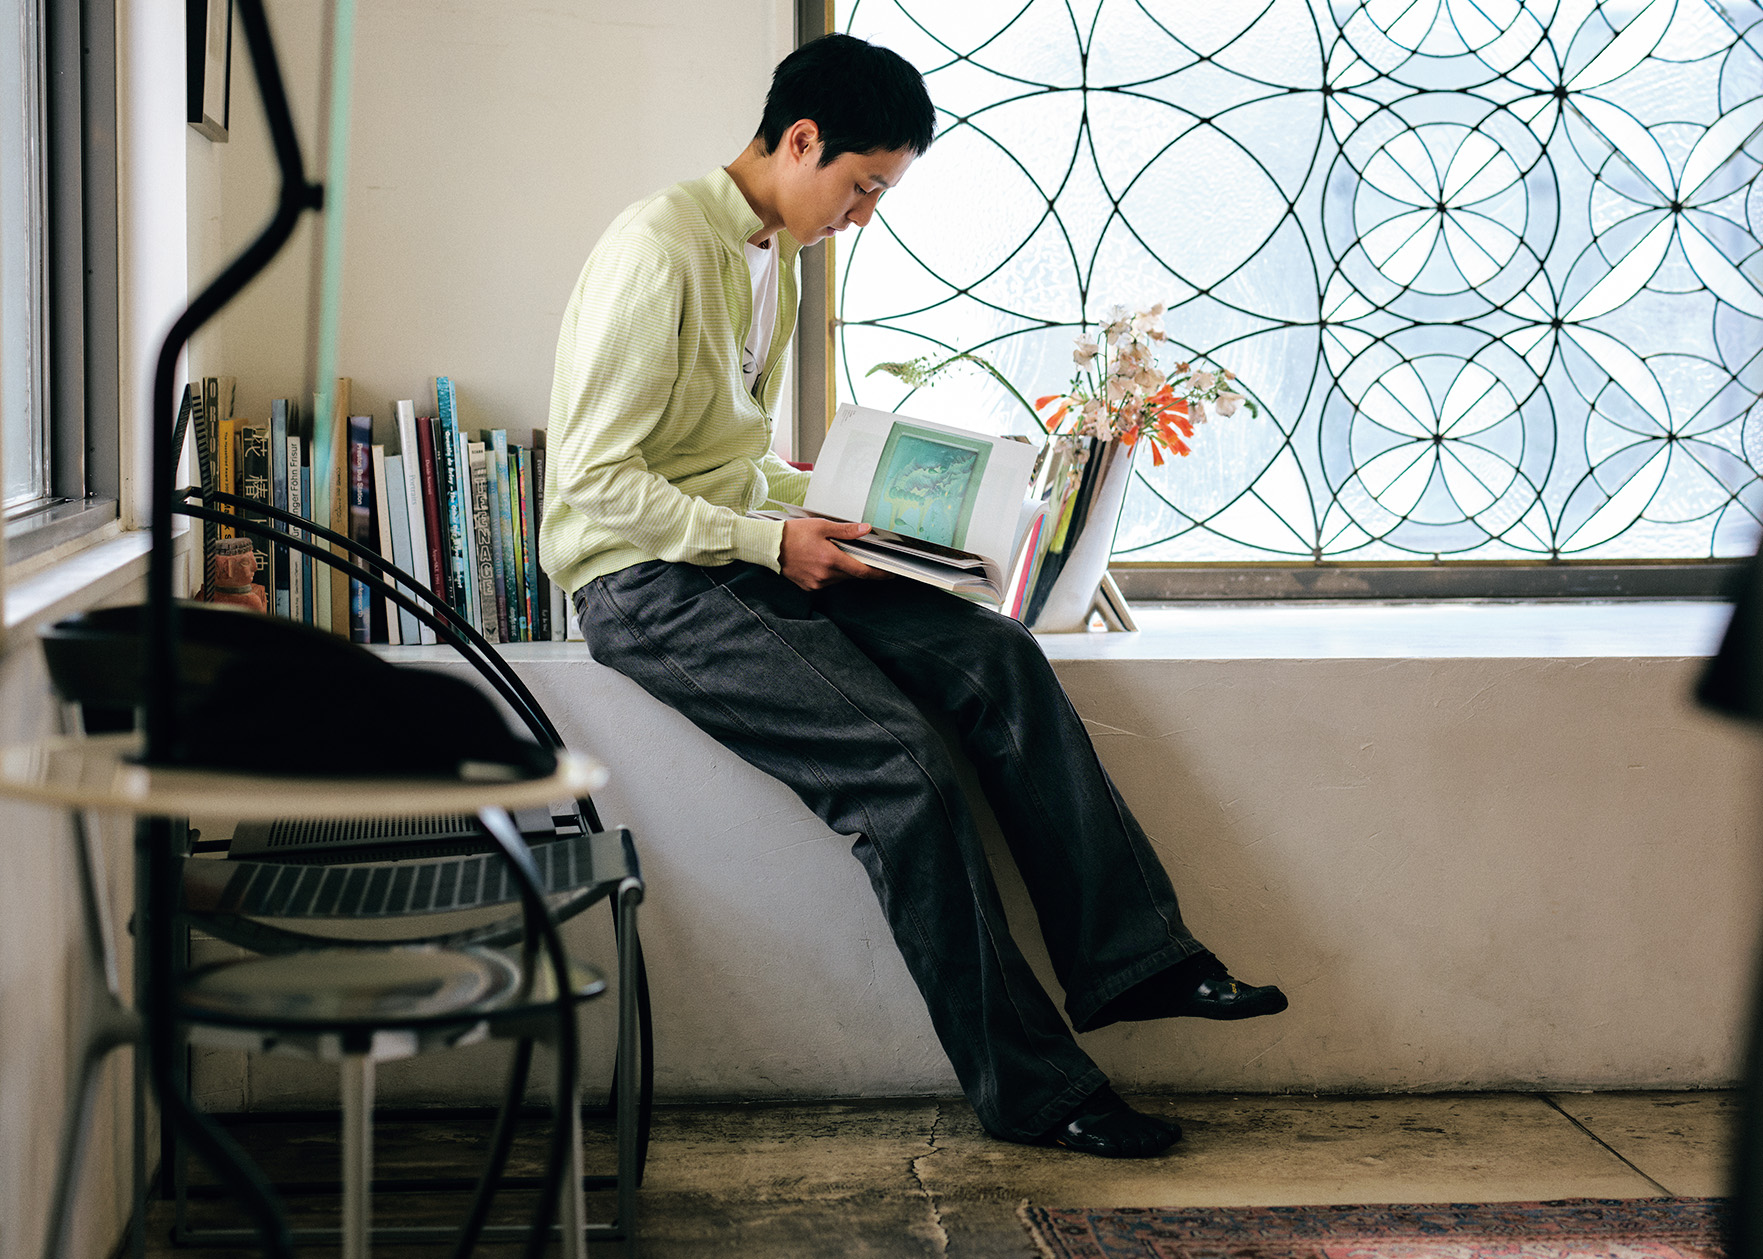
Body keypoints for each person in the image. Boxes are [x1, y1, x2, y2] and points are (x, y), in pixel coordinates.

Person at [541, 32, 1287, 1159]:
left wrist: (851, 510)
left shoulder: (774, 258)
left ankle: (1133, 962)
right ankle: (1035, 1092)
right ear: (801, 140)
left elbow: (721, 458)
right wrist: (768, 537)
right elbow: (594, 481)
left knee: (998, 656)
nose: (862, 217)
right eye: (862, 187)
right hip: (641, 580)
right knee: (901, 769)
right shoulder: (659, 247)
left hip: (737, 548)